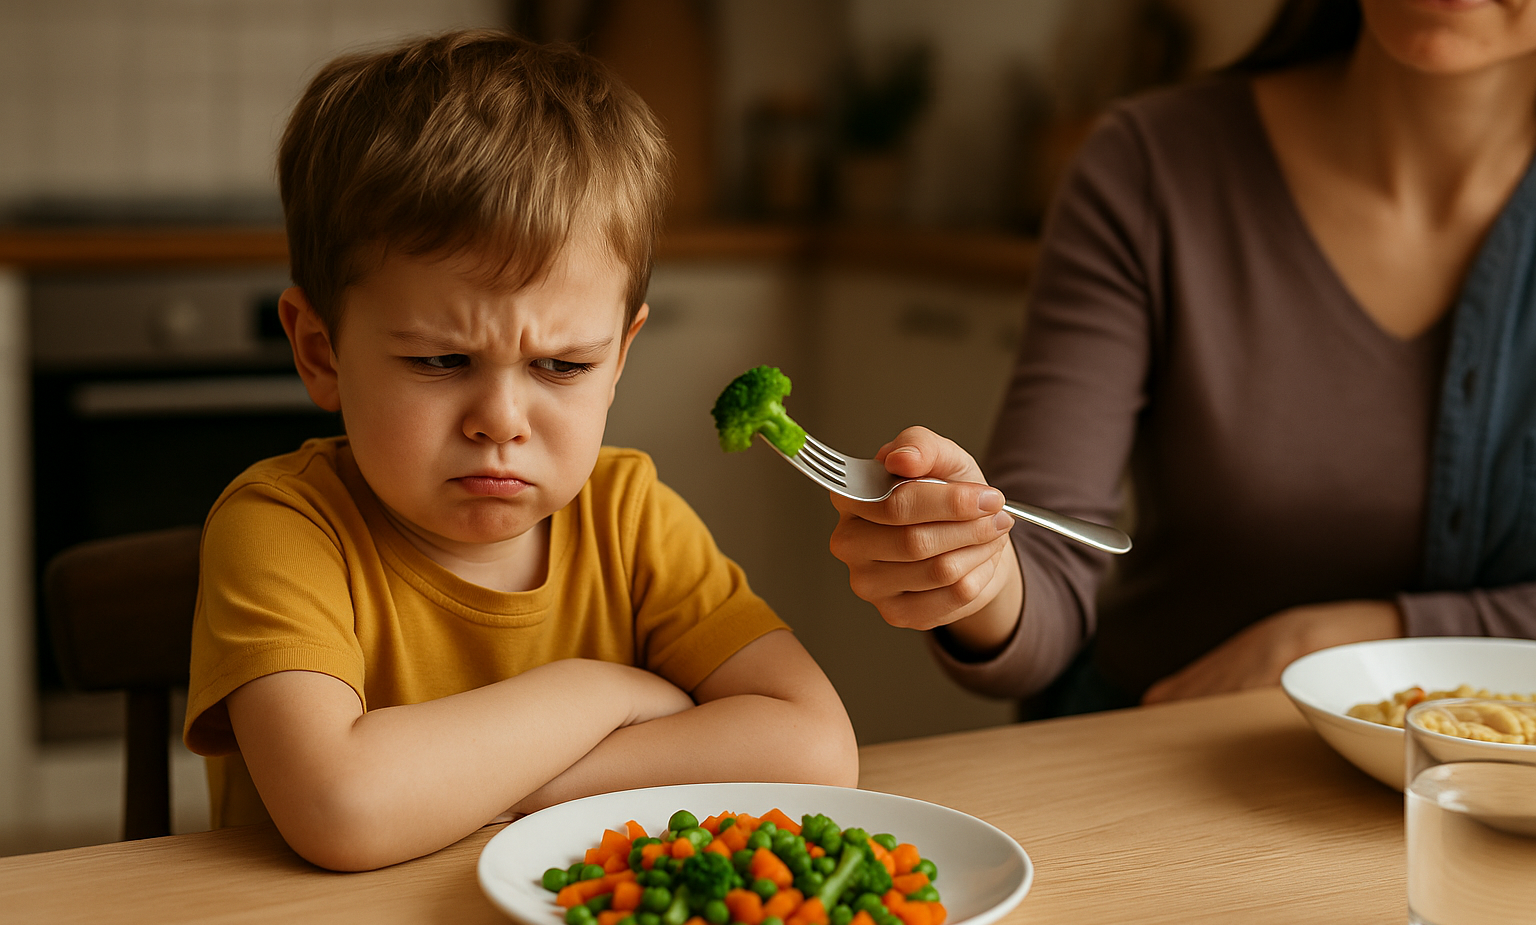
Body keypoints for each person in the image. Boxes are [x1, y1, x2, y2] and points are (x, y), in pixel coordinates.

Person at [183, 31, 857, 872]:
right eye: (441, 361)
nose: (501, 421)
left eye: (562, 366)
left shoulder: (631, 519)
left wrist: (490, 786)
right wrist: (603, 691)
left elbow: (814, 749)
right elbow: (342, 809)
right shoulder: (281, 528)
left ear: (620, 358)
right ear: (320, 351)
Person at [827, 0, 1536, 715]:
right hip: (1151, 745)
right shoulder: (1150, 166)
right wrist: (973, 570)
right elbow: (1044, 570)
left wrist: (1350, 640)